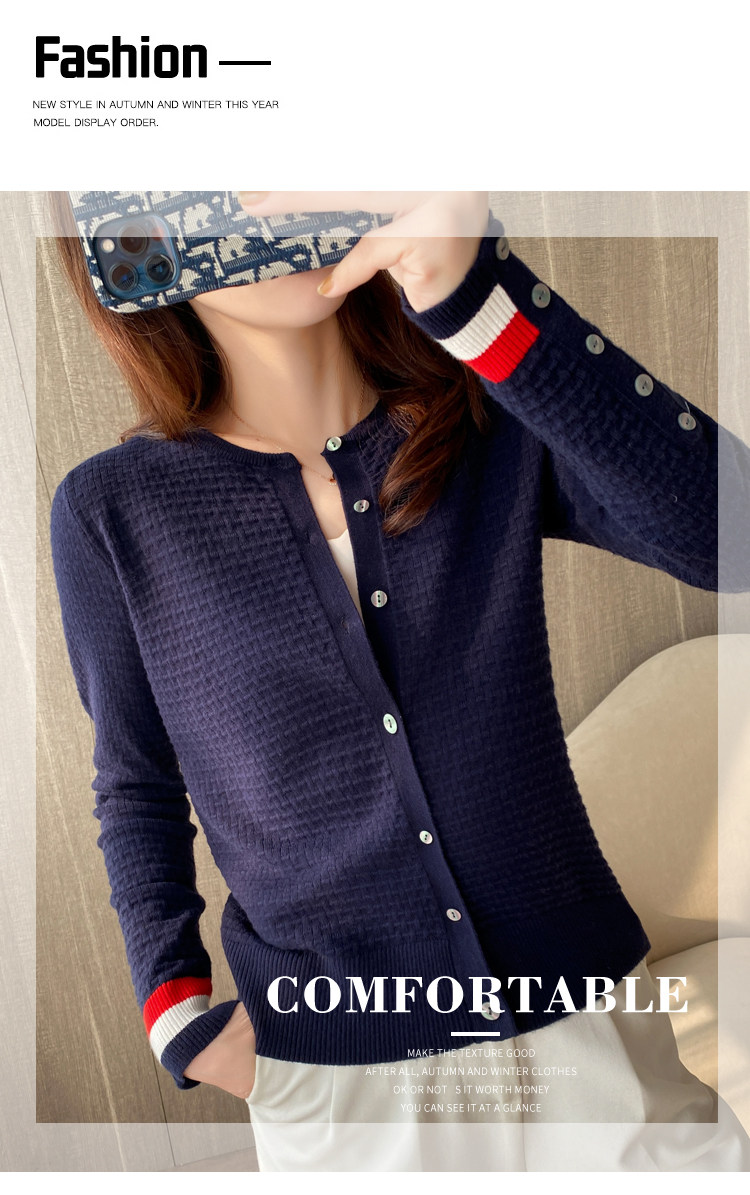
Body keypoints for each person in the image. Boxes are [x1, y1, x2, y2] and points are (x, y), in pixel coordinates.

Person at [49, 191, 750, 1172]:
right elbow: (135, 785)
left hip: (593, 1030)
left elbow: (730, 536)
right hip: (344, 1090)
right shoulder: (113, 510)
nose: (270, 207)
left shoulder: (487, 414)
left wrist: (481, 299)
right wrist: (175, 1010)